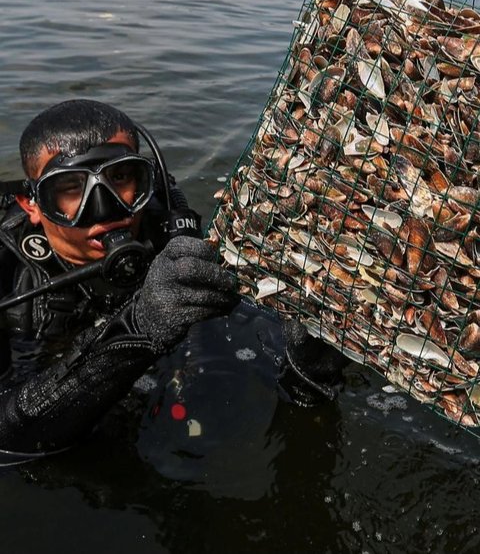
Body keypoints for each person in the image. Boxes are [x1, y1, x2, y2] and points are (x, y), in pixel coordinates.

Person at [0, 99, 346, 466]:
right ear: (31, 204)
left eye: (120, 177)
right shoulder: (8, 270)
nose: (104, 208)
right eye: (70, 188)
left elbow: (236, 333)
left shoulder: (165, 227)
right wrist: (138, 327)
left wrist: (307, 366)